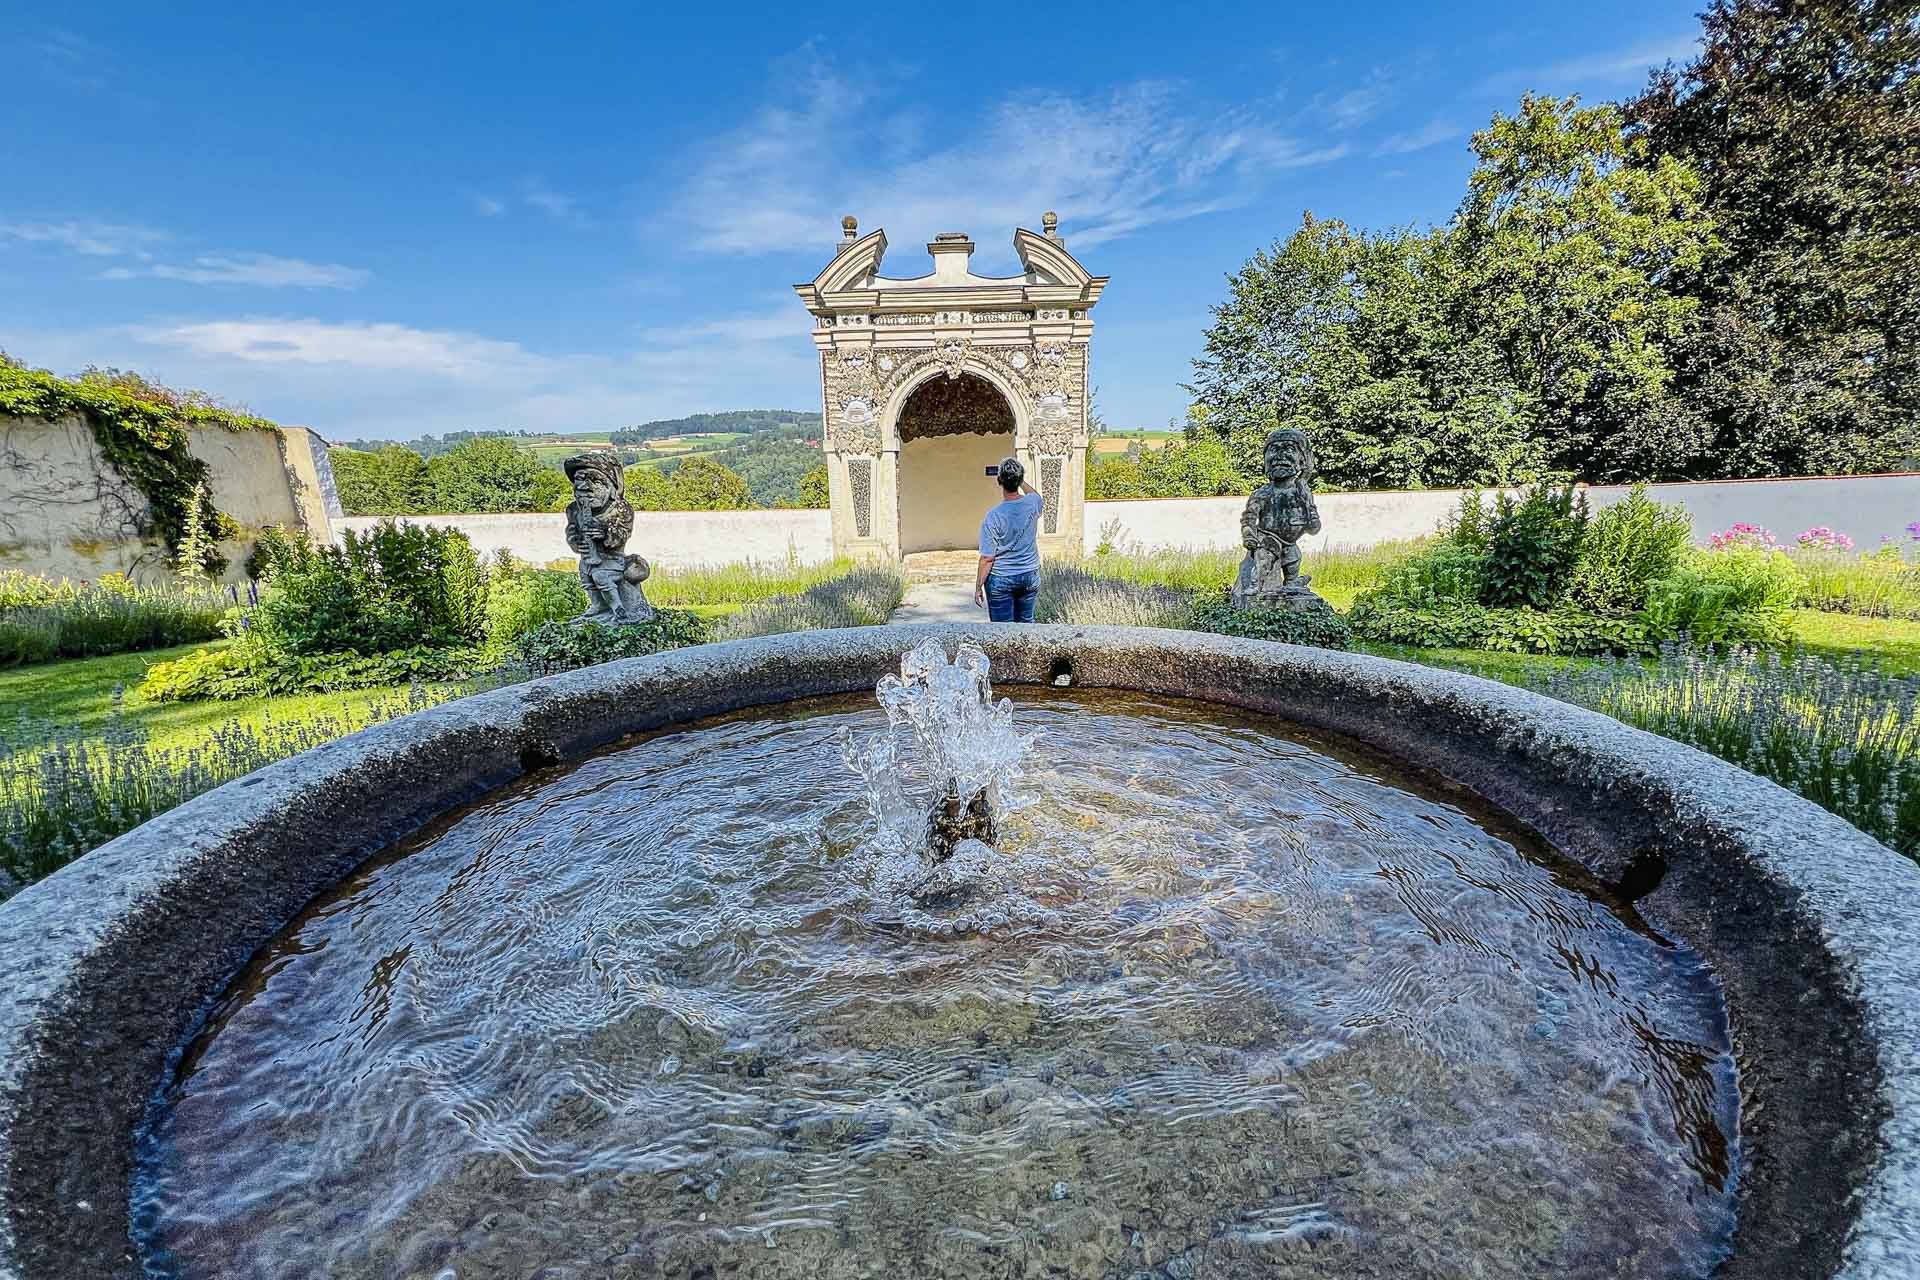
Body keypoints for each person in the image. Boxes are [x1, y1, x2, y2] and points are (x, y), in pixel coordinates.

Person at [974, 457, 1043, 621]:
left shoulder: (993, 516)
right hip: (1029, 574)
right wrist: (1019, 479)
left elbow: (987, 558)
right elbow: (1034, 494)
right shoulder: (1033, 503)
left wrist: (978, 586)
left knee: (1002, 631)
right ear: (1020, 480)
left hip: (1001, 577)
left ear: (1000, 481)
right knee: (1026, 626)